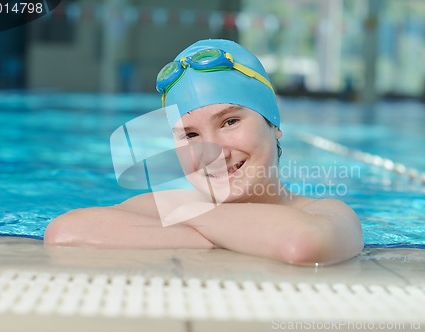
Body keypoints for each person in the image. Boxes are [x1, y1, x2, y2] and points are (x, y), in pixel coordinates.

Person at [44, 39, 363, 265]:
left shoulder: (328, 211)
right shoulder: (170, 204)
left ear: (273, 122)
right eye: (191, 135)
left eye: (230, 121)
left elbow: (301, 244)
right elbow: (65, 231)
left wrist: (186, 217)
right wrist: (242, 235)